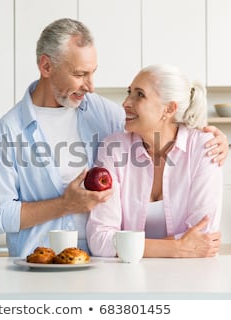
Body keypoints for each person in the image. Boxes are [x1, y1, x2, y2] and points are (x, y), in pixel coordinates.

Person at [0, 18, 228, 258]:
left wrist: (212, 137)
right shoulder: (9, 131)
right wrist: (64, 204)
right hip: (39, 265)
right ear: (46, 67)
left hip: (100, 268)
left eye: (92, 73)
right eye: (79, 74)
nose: (90, 86)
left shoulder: (99, 111)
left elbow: (156, 123)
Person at [86, 64, 222, 258]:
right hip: (128, 278)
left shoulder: (204, 147)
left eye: (139, 95)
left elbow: (203, 238)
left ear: (169, 108)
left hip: (191, 276)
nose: (125, 102)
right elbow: (100, 240)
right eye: (129, 92)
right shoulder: (113, 148)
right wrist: (177, 248)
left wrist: (128, 247)